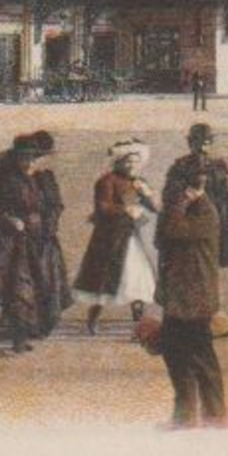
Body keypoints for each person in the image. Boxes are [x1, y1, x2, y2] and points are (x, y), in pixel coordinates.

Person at [0, 132, 71, 352]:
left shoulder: (45, 179)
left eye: (33, 158)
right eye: (24, 158)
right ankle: (18, 340)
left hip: (43, 240)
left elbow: (56, 206)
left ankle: (33, 329)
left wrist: (49, 223)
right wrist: (10, 220)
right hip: (14, 242)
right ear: (16, 157)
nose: (28, 162)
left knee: (44, 285)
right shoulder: (5, 180)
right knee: (19, 289)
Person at [154, 167, 227, 428]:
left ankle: (215, 415)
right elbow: (160, 239)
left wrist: (179, 205)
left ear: (193, 189)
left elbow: (173, 231)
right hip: (179, 297)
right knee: (176, 357)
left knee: (201, 358)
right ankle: (185, 416)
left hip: (195, 299)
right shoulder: (183, 209)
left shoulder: (206, 212)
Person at [74, 140, 158, 335]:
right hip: (109, 239)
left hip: (132, 238)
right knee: (104, 281)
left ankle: (139, 324)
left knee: (137, 279)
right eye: (128, 162)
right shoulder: (107, 181)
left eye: (136, 162)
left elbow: (155, 208)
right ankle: (93, 319)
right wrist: (126, 209)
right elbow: (102, 207)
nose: (132, 166)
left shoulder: (139, 182)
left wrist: (146, 193)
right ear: (119, 162)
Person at [161, 124, 228, 279]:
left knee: (208, 269)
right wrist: (186, 195)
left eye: (206, 143)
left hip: (213, 226)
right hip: (190, 225)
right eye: (197, 142)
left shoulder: (219, 166)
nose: (201, 147)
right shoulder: (180, 167)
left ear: (211, 144)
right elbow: (168, 196)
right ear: (190, 143)